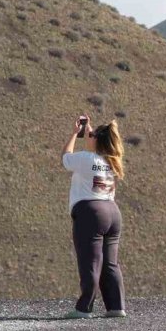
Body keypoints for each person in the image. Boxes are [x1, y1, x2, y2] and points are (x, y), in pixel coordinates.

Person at [61, 116, 127, 319]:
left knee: (90, 261)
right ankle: (116, 306)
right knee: (110, 262)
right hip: (113, 212)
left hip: (90, 212)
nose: (87, 137)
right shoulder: (112, 161)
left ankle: (84, 308)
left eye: (90, 135)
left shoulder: (86, 159)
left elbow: (65, 158)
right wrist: (89, 133)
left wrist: (74, 133)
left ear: (97, 140)